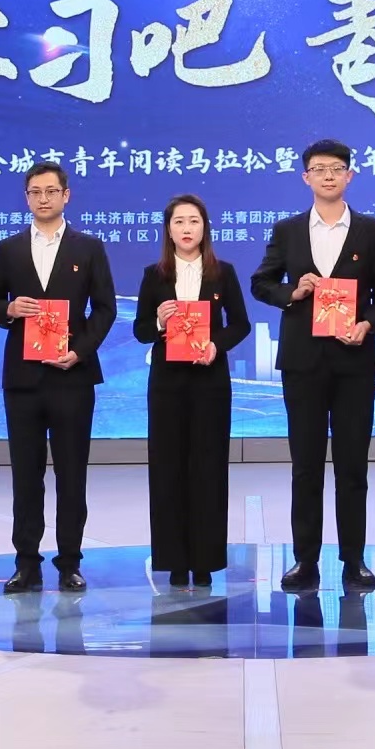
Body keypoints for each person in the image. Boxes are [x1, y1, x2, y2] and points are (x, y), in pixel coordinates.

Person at [250, 139, 375, 593]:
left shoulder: (372, 231)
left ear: (349, 175)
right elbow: (261, 282)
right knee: (306, 464)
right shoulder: (288, 230)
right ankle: (305, 560)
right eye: (319, 169)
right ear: (306, 177)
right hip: (303, 362)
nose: (328, 175)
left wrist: (368, 325)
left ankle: (354, 559)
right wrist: (292, 292)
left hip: (355, 362)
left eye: (336, 168)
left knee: (353, 465)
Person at [0, 160, 118, 595]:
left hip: (71, 376)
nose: (43, 198)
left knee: (72, 474)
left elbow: (106, 308)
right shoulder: (9, 248)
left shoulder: (89, 247)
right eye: (35, 192)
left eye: (51, 191)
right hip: (23, 378)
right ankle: (26, 563)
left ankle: (70, 562)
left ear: (66, 196)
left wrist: (79, 351)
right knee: (26, 475)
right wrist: (8, 309)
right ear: (27, 198)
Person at [133, 194, 253, 588]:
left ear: (205, 228)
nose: (187, 229)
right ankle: (174, 560)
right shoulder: (154, 275)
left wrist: (217, 344)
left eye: (194, 221)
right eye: (179, 222)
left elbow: (240, 324)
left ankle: (205, 560)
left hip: (209, 381)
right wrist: (158, 320)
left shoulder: (223, 273)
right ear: (168, 230)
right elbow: (140, 331)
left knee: (208, 467)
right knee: (167, 468)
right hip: (167, 383)